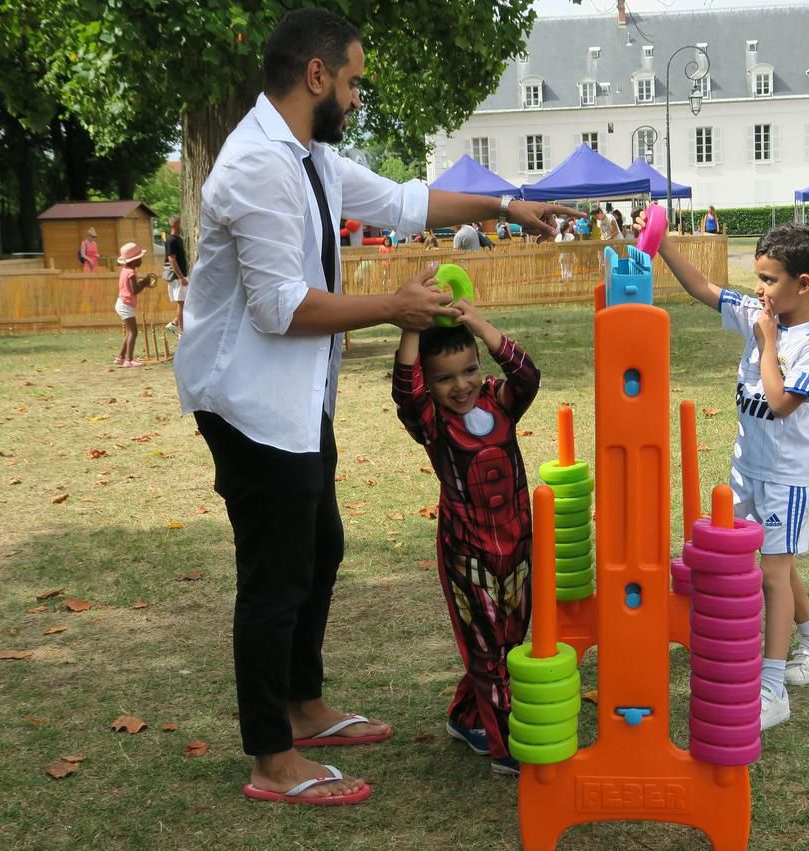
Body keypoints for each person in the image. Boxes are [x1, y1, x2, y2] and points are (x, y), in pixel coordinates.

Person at [173, 8, 572, 808]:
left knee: (321, 549)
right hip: (249, 403)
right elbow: (279, 308)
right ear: (316, 75)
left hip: (295, 399)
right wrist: (396, 305)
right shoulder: (254, 166)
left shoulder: (311, 157)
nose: (357, 97)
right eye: (353, 81)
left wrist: (505, 208)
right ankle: (272, 757)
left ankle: (303, 701)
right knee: (275, 577)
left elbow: (404, 201)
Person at [658, 223, 809, 731]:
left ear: (802, 285)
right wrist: (661, 242)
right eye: (756, 279)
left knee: (773, 574)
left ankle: (772, 687)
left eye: (768, 280)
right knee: (772, 561)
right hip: (746, 470)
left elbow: (781, 404)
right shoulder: (764, 314)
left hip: (785, 476)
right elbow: (703, 288)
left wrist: (766, 343)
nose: (758, 290)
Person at [392, 300, 540, 777]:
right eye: (445, 378)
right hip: (467, 553)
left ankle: (466, 716)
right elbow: (407, 395)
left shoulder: (499, 399)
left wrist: (477, 322)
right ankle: (505, 745)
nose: (461, 385)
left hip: (517, 544)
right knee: (485, 646)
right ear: (431, 385)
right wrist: (412, 328)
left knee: (510, 643)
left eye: (469, 370)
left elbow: (527, 376)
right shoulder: (433, 422)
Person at [113, 242, 153, 367]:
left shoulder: (125, 270)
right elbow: (134, 290)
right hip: (125, 305)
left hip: (122, 303)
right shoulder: (131, 272)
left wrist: (141, 283)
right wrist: (145, 283)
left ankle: (120, 357)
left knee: (130, 332)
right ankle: (128, 360)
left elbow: (132, 287)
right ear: (134, 260)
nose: (141, 260)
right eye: (139, 258)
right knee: (133, 332)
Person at [163, 216, 189, 335]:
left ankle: (177, 326)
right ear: (175, 224)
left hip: (182, 276)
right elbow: (171, 259)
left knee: (183, 303)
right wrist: (181, 277)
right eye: (181, 223)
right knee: (182, 303)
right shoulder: (171, 240)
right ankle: (178, 328)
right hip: (177, 277)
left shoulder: (179, 239)